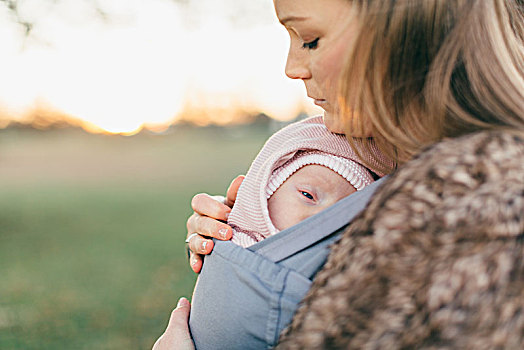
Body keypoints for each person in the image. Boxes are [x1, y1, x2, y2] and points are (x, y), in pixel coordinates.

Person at [154, 0, 524, 348]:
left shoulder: (487, 227)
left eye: (310, 40)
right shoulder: (387, 171)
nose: (292, 68)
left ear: (405, 29)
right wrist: (250, 238)